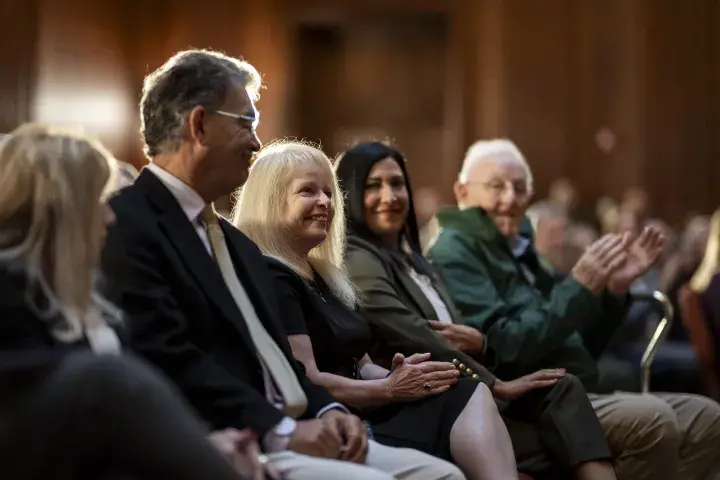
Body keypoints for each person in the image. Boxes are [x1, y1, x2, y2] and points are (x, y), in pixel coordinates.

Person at [101, 49, 458, 480]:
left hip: (292, 427)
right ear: (198, 125)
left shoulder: (236, 243)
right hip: (218, 440)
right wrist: (283, 428)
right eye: (246, 123)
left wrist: (328, 409)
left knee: (442, 475)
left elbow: (276, 359)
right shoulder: (125, 223)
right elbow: (168, 356)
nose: (256, 142)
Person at [232, 140, 527, 480]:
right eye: (308, 192)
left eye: (329, 192)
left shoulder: (324, 273)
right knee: (463, 404)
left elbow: (363, 364)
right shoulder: (273, 275)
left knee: (463, 387)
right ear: (269, 201)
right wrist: (389, 389)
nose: (325, 202)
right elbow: (306, 381)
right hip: (332, 424)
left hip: (365, 407)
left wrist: (399, 375)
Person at [428, 138, 720, 480]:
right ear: (462, 192)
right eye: (496, 186)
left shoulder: (516, 248)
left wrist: (613, 291)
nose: (510, 198)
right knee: (654, 420)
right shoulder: (455, 251)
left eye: (520, 188)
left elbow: (581, 345)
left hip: (576, 389)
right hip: (533, 403)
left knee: (707, 417)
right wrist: (579, 285)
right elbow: (505, 349)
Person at [336, 142, 616, 480]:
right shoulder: (360, 258)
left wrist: (482, 344)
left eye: (397, 183)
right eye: (373, 185)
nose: (390, 196)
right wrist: (494, 382)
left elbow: (457, 328)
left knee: (562, 388)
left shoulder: (414, 259)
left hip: (471, 381)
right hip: (431, 395)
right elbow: (414, 331)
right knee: (565, 433)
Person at [0, 124, 253, 480]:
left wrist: (202, 442)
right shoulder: (8, 294)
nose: (111, 216)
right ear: (61, 211)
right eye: (99, 202)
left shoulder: (91, 298)